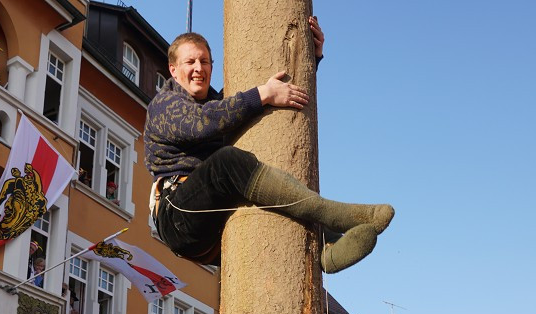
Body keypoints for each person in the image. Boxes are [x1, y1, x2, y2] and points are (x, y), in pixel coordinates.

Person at [144, 22, 394, 273]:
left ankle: (325, 248)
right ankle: (334, 214)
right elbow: (202, 122)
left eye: (205, 62)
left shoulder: (218, 104)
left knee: (268, 191)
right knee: (226, 162)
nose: (199, 69)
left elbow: (256, 102)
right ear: (173, 70)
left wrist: (310, 56)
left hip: (216, 227)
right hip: (178, 217)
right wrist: (262, 94)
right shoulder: (165, 103)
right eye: (190, 62)